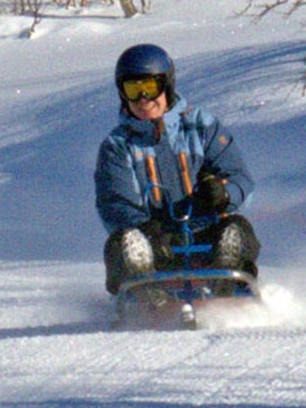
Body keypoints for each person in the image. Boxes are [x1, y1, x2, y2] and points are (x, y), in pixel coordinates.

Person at [95, 43, 260, 295]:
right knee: (125, 243)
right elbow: (114, 202)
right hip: (154, 241)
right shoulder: (118, 146)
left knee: (236, 229)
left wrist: (223, 193)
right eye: (133, 89)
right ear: (122, 93)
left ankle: (227, 293)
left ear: (167, 85)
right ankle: (150, 302)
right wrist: (144, 229)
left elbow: (240, 178)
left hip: (205, 232)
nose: (143, 99)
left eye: (150, 88)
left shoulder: (201, 126)